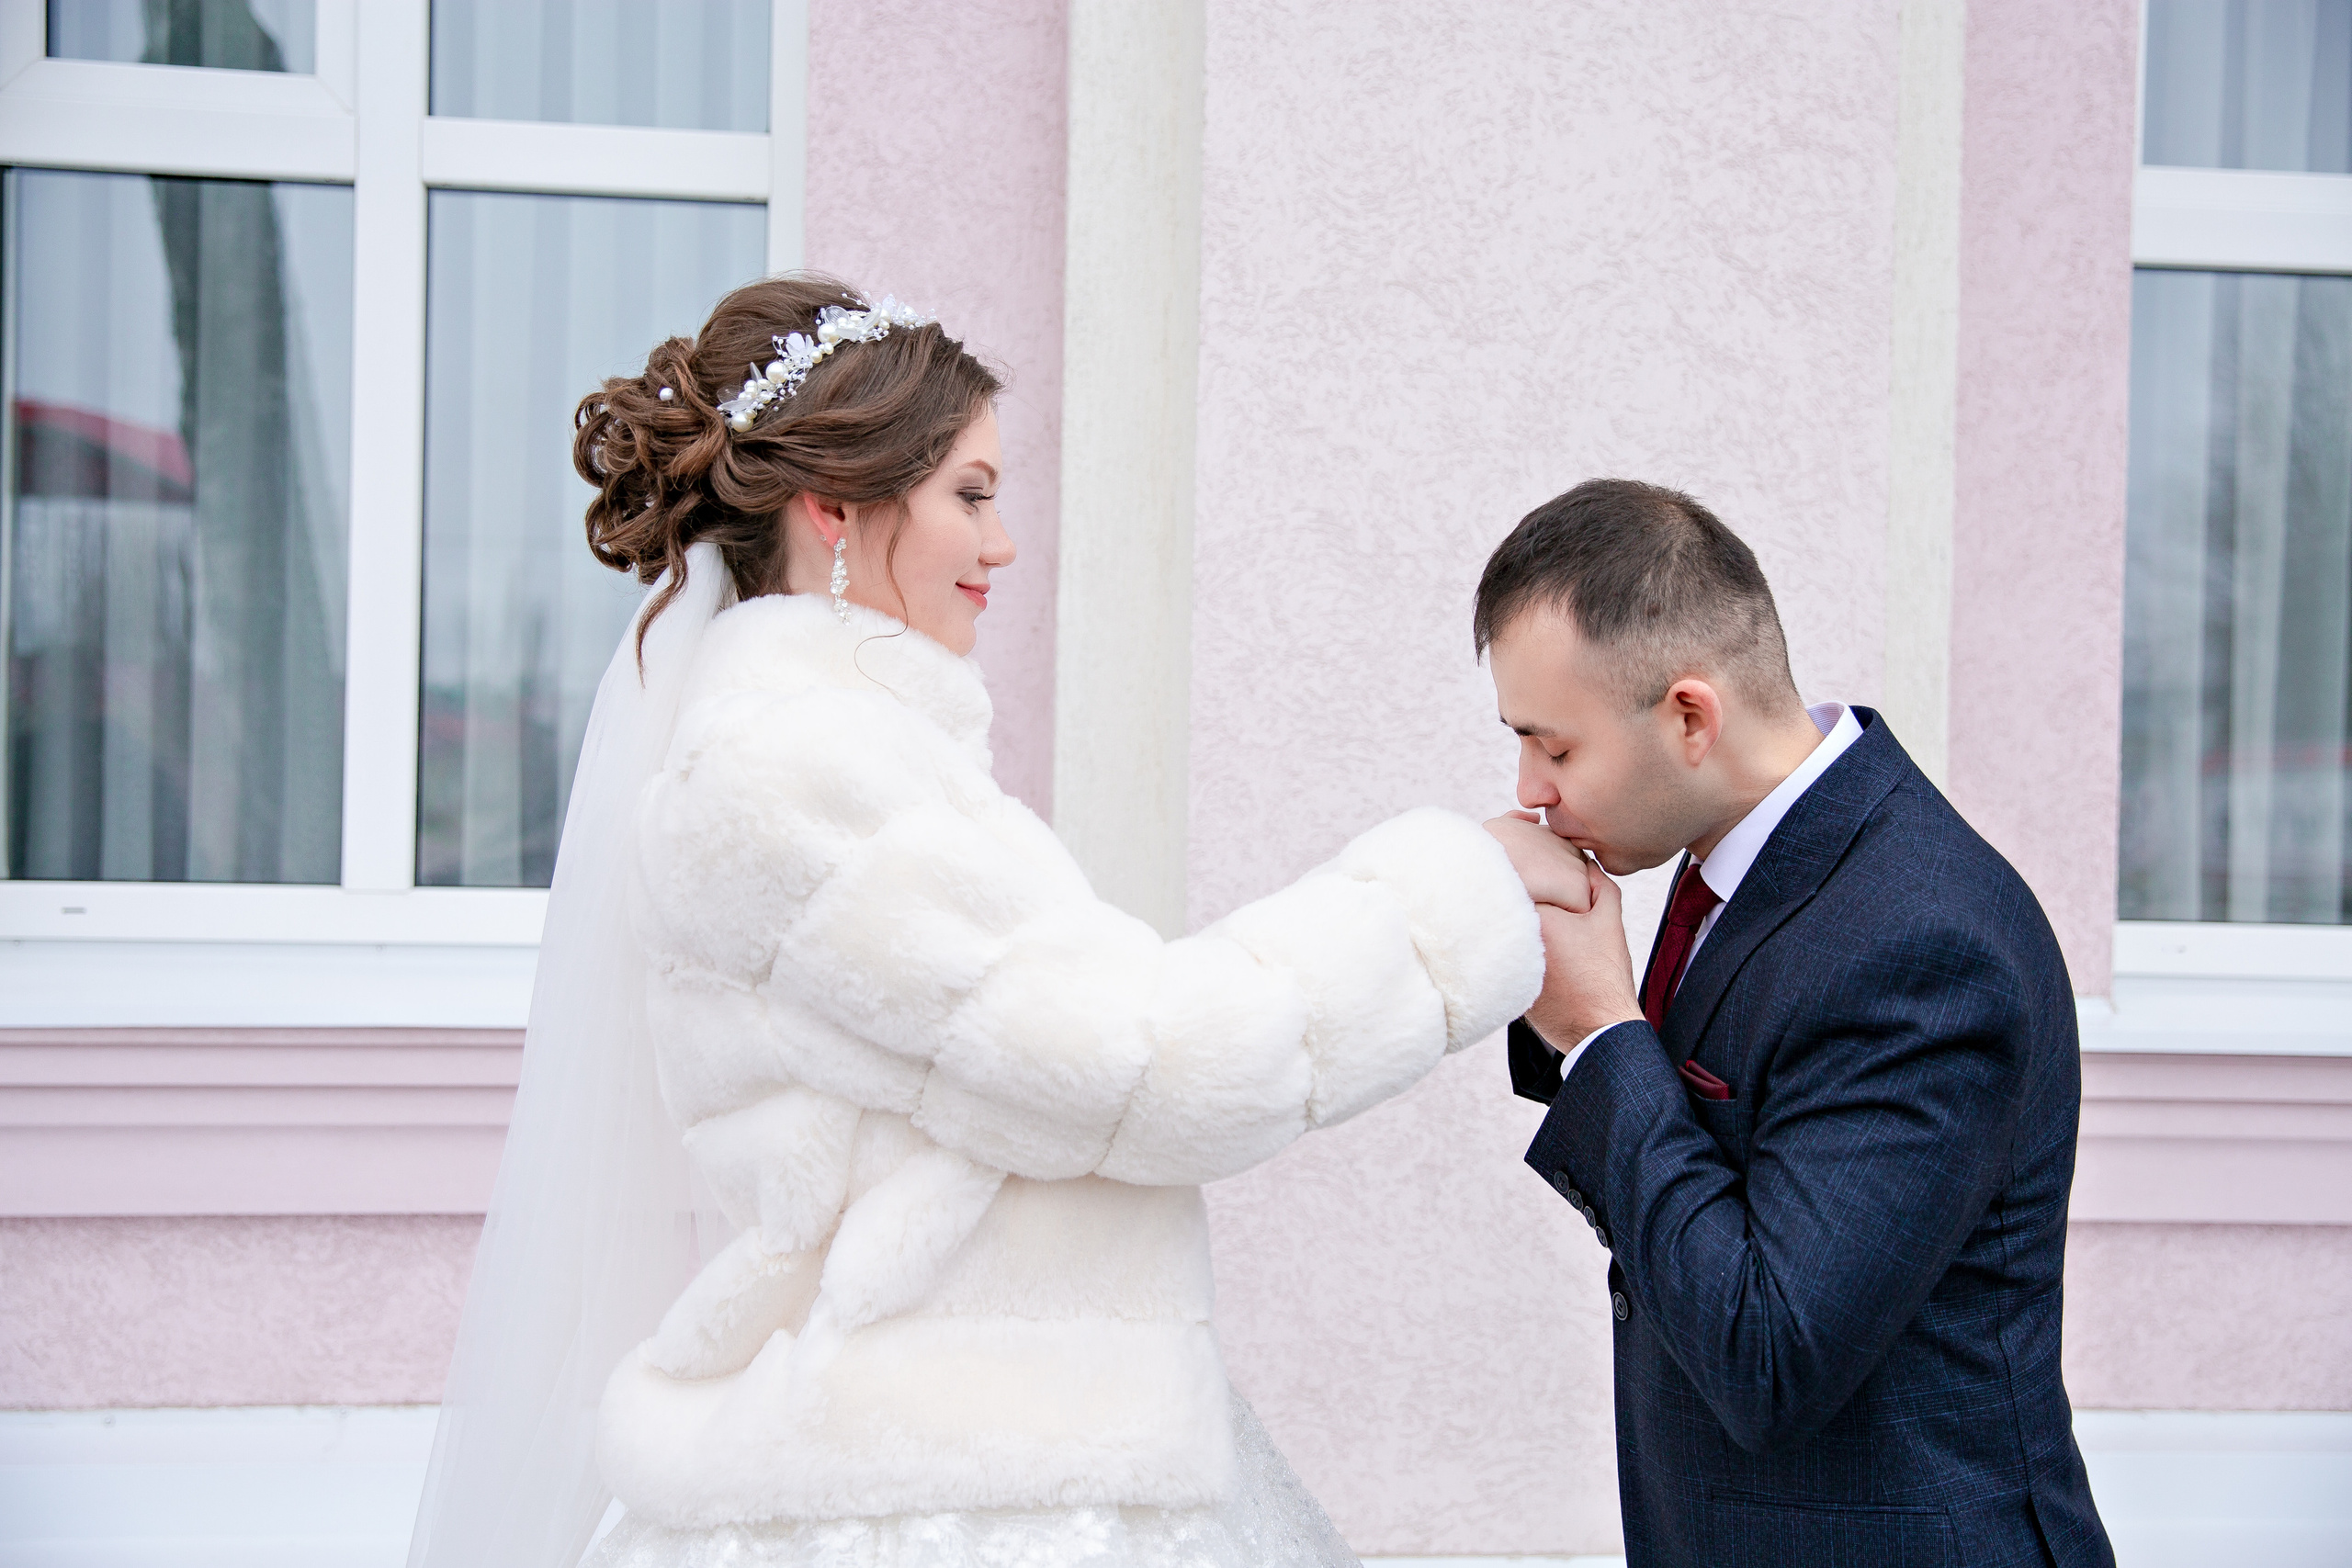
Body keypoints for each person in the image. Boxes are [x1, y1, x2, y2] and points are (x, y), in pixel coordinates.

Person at [404, 274, 1580, 1568]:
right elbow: (1149, 1064)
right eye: (970, 495)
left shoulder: (832, 755)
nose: (1003, 543)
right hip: (949, 1479)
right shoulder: (801, 772)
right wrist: (1458, 897)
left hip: (966, 1447)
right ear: (832, 505)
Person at [1478, 480, 2114, 1567]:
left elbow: (1768, 1354)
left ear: (1689, 717)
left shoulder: (1924, 945)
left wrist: (1600, 1033)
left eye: (1556, 748)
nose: (1529, 788)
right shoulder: (1733, 855)